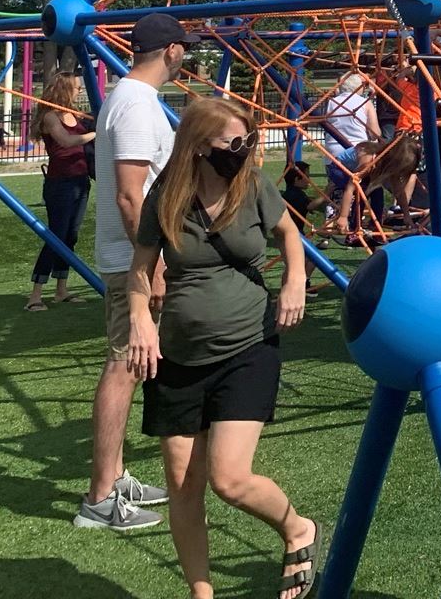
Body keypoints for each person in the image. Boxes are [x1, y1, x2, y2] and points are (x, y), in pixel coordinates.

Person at [125, 96, 316, 599]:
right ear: (197, 146)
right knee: (182, 484)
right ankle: (201, 592)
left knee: (229, 479)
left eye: (247, 140)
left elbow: (289, 234)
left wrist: (295, 280)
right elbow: (140, 269)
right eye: (233, 143)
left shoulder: (252, 186)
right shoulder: (167, 194)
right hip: (178, 355)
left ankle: (297, 527)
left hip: (247, 344)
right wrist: (140, 318)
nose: (244, 150)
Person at [78, 12, 187, 532]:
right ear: (171, 51)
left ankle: (116, 476)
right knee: (123, 365)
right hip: (134, 263)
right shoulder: (138, 105)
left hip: (131, 260)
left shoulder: (127, 98)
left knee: (131, 363)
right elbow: (129, 196)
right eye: (184, 48)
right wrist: (154, 265)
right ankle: (100, 497)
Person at [28, 71, 96, 310]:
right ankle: (35, 295)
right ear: (64, 89)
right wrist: (95, 134)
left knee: (70, 236)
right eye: (76, 87)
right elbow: (66, 141)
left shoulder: (74, 113)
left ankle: (61, 290)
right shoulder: (50, 116)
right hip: (60, 184)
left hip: (80, 181)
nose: (80, 91)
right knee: (55, 236)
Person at [318, 63, 380, 242]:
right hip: (358, 152)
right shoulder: (365, 103)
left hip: (333, 154)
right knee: (364, 188)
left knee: (336, 190)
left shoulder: (331, 102)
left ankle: (328, 229)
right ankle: (360, 226)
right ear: (358, 88)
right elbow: (375, 132)